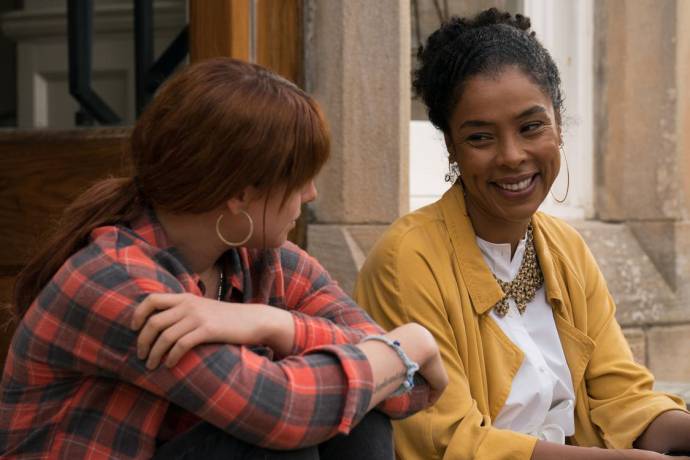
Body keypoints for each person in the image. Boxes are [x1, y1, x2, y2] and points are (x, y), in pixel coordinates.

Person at [0, 58, 448, 459]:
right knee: (283, 440)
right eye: (300, 179)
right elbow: (285, 411)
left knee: (358, 416)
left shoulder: (267, 262)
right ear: (239, 195)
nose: (311, 194)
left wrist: (276, 325)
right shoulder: (117, 282)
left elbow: (411, 390)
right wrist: (413, 345)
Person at [354, 8, 690, 460]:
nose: (512, 156)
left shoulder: (566, 247)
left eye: (531, 127)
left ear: (558, 123)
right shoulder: (406, 262)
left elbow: (623, 398)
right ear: (451, 146)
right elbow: (450, 442)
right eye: (480, 138)